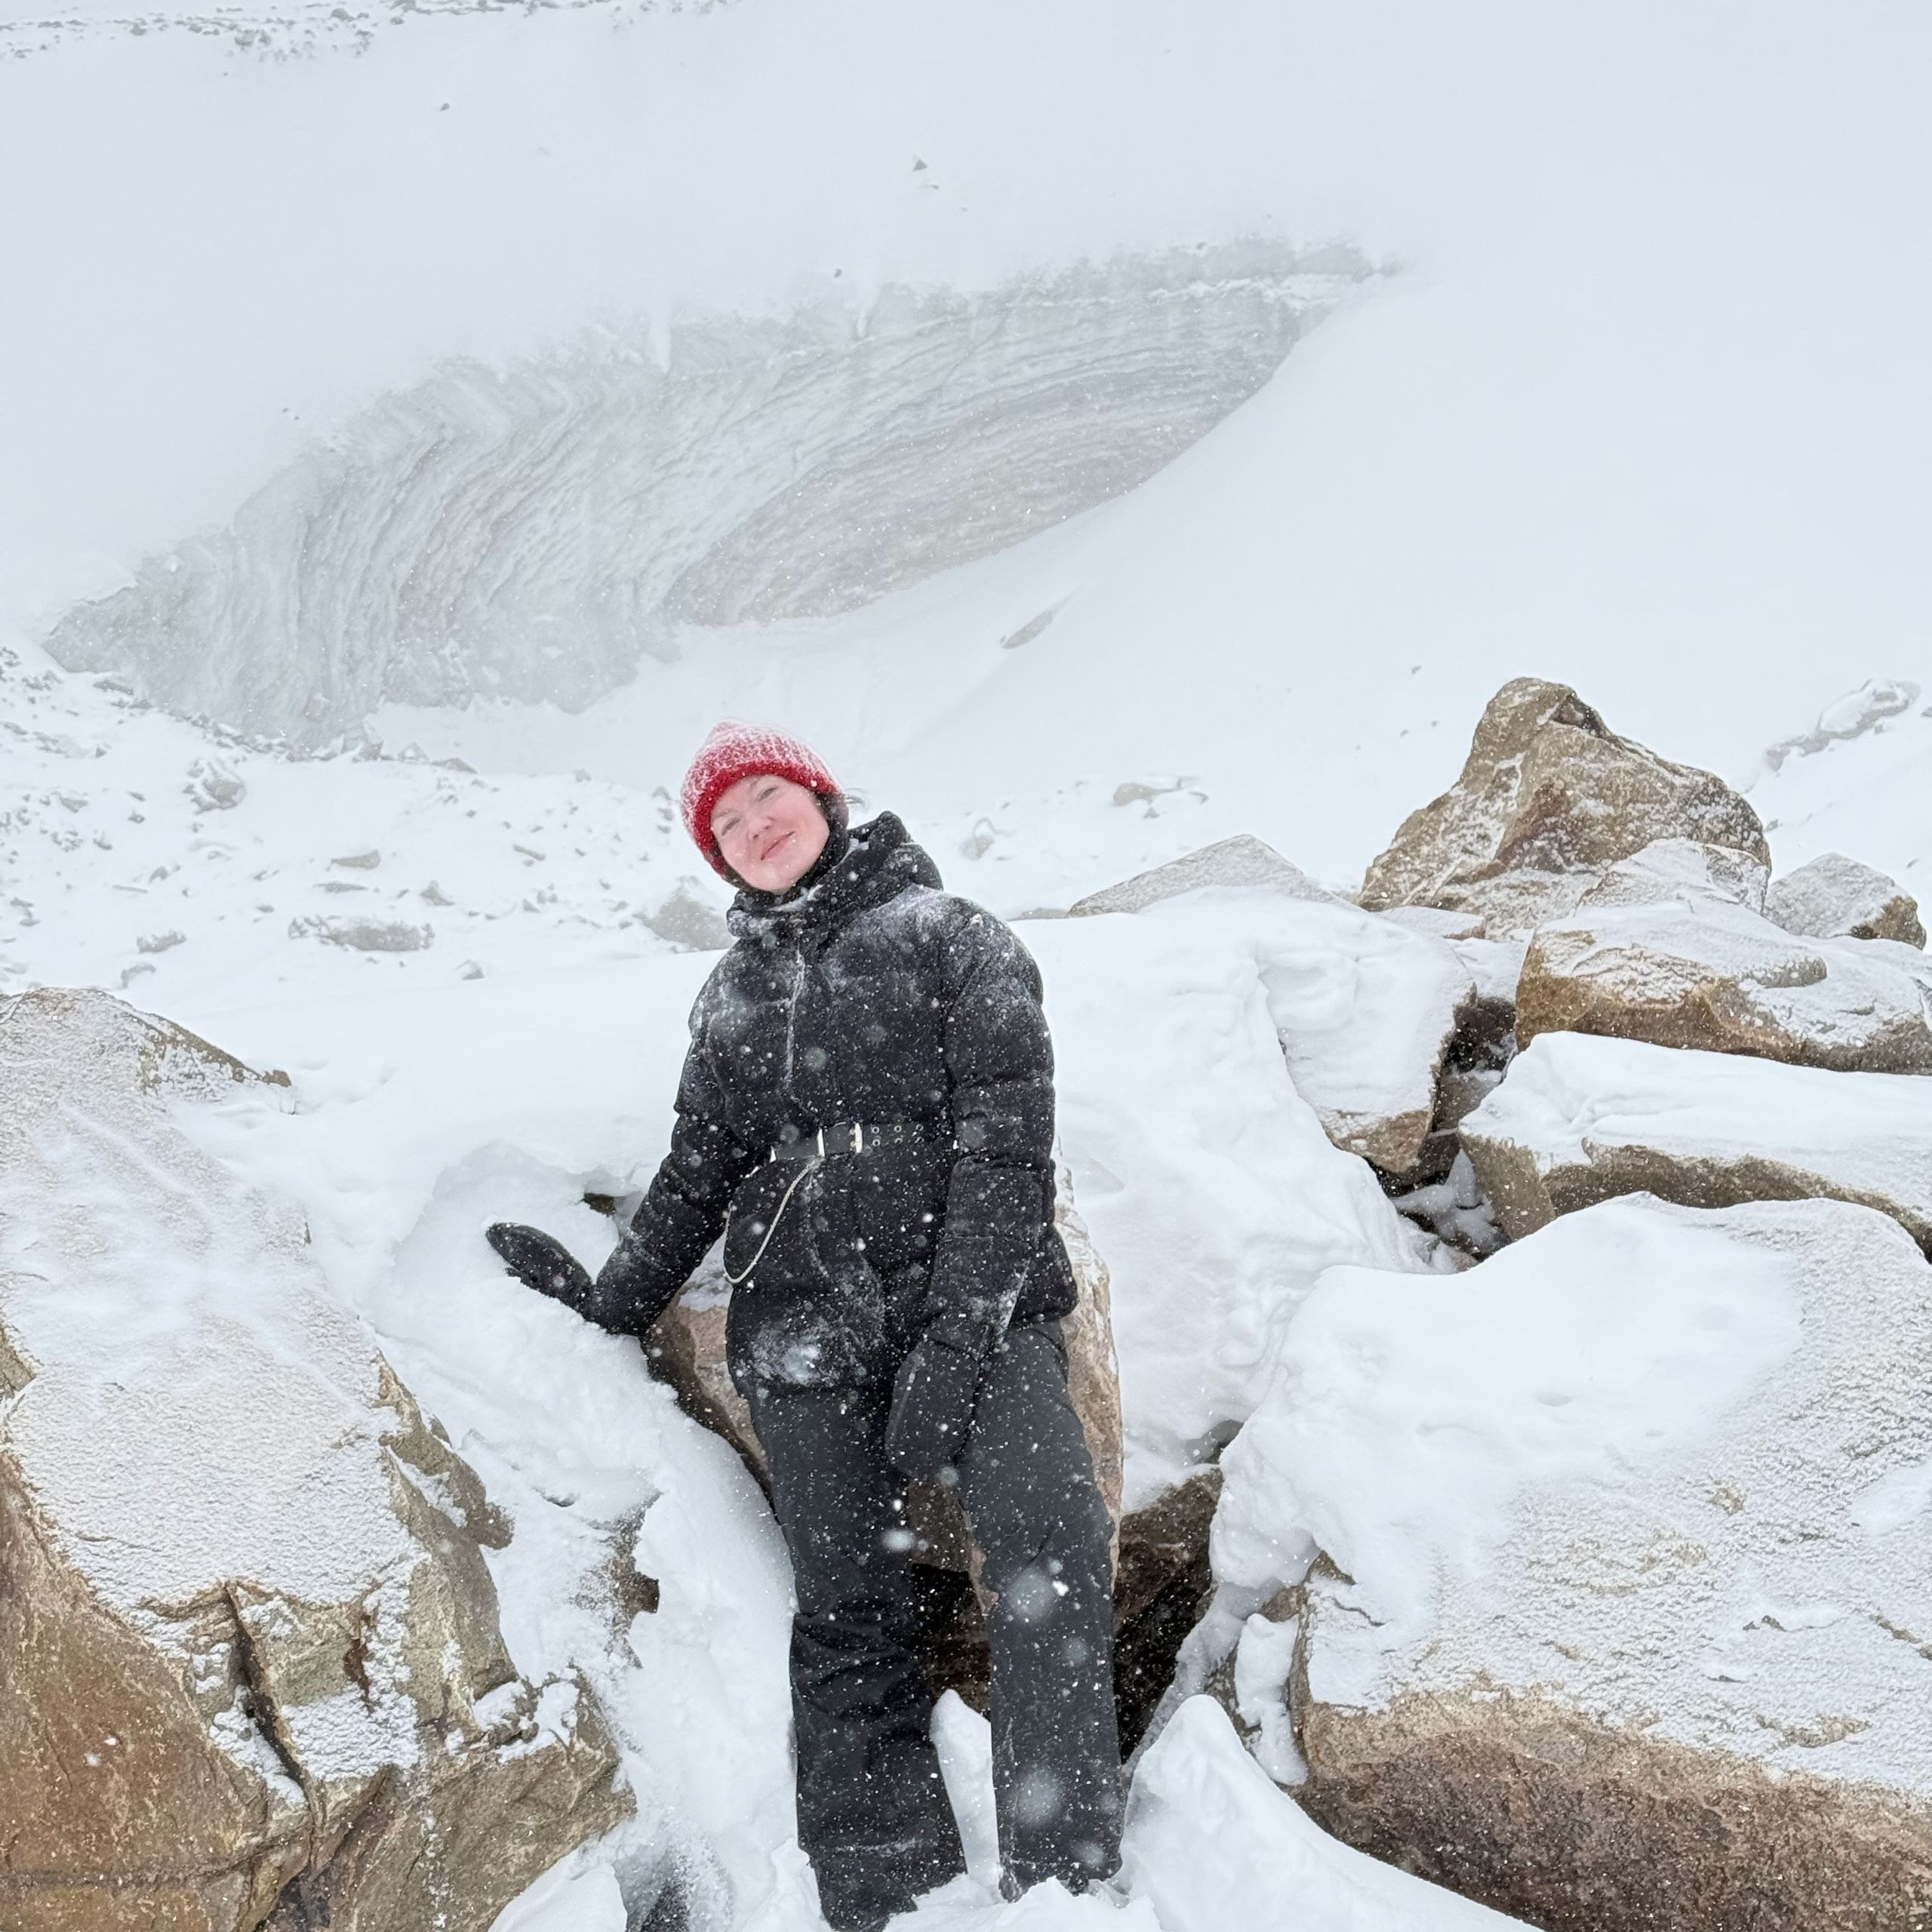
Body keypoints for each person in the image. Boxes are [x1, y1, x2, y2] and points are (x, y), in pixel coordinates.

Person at [486, 721, 1121, 1931]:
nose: (752, 826)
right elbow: (698, 1170)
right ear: (719, 861)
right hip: (800, 1335)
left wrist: (956, 1341)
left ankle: (1066, 1887)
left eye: (764, 796)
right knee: (848, 1613)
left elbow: (1007, 1149)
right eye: (724, 825)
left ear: (820, 796)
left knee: (1048, 1557)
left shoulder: (952, 938)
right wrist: (609, 1302)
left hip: (972, 1305)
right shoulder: (734, 993)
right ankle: (893, 1899)